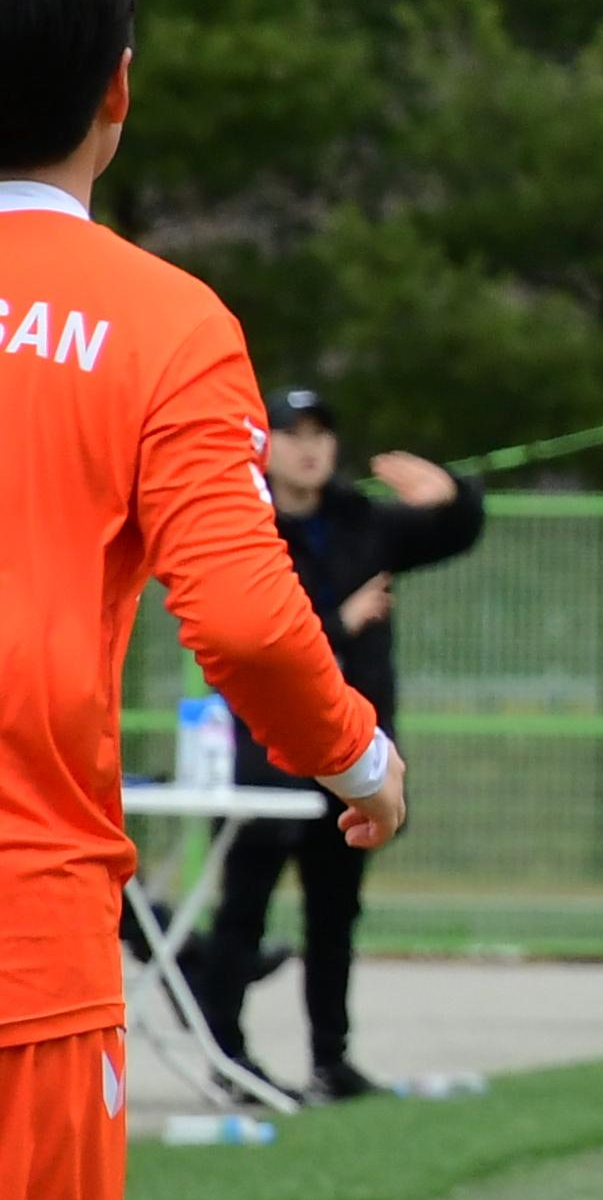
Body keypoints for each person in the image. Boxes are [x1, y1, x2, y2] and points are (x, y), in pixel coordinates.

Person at [0, 0, 408, 1200]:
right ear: (119, 88)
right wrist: (353, 753)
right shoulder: (165, 325)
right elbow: (240, 608)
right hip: (20, 924)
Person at [187, 386, 484, 1100]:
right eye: (293, 433)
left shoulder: (360, 523)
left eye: (321, 433)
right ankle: (227, 1060)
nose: (310, 447)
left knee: (334, 915)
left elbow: (449, 533)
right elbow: (250, 634)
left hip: (350, 756)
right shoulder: (242, 527)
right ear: (266, 445)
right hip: (264, 759)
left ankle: (331, 1059)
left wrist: (456, 497)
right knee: (242, 913)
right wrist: (339, 621)